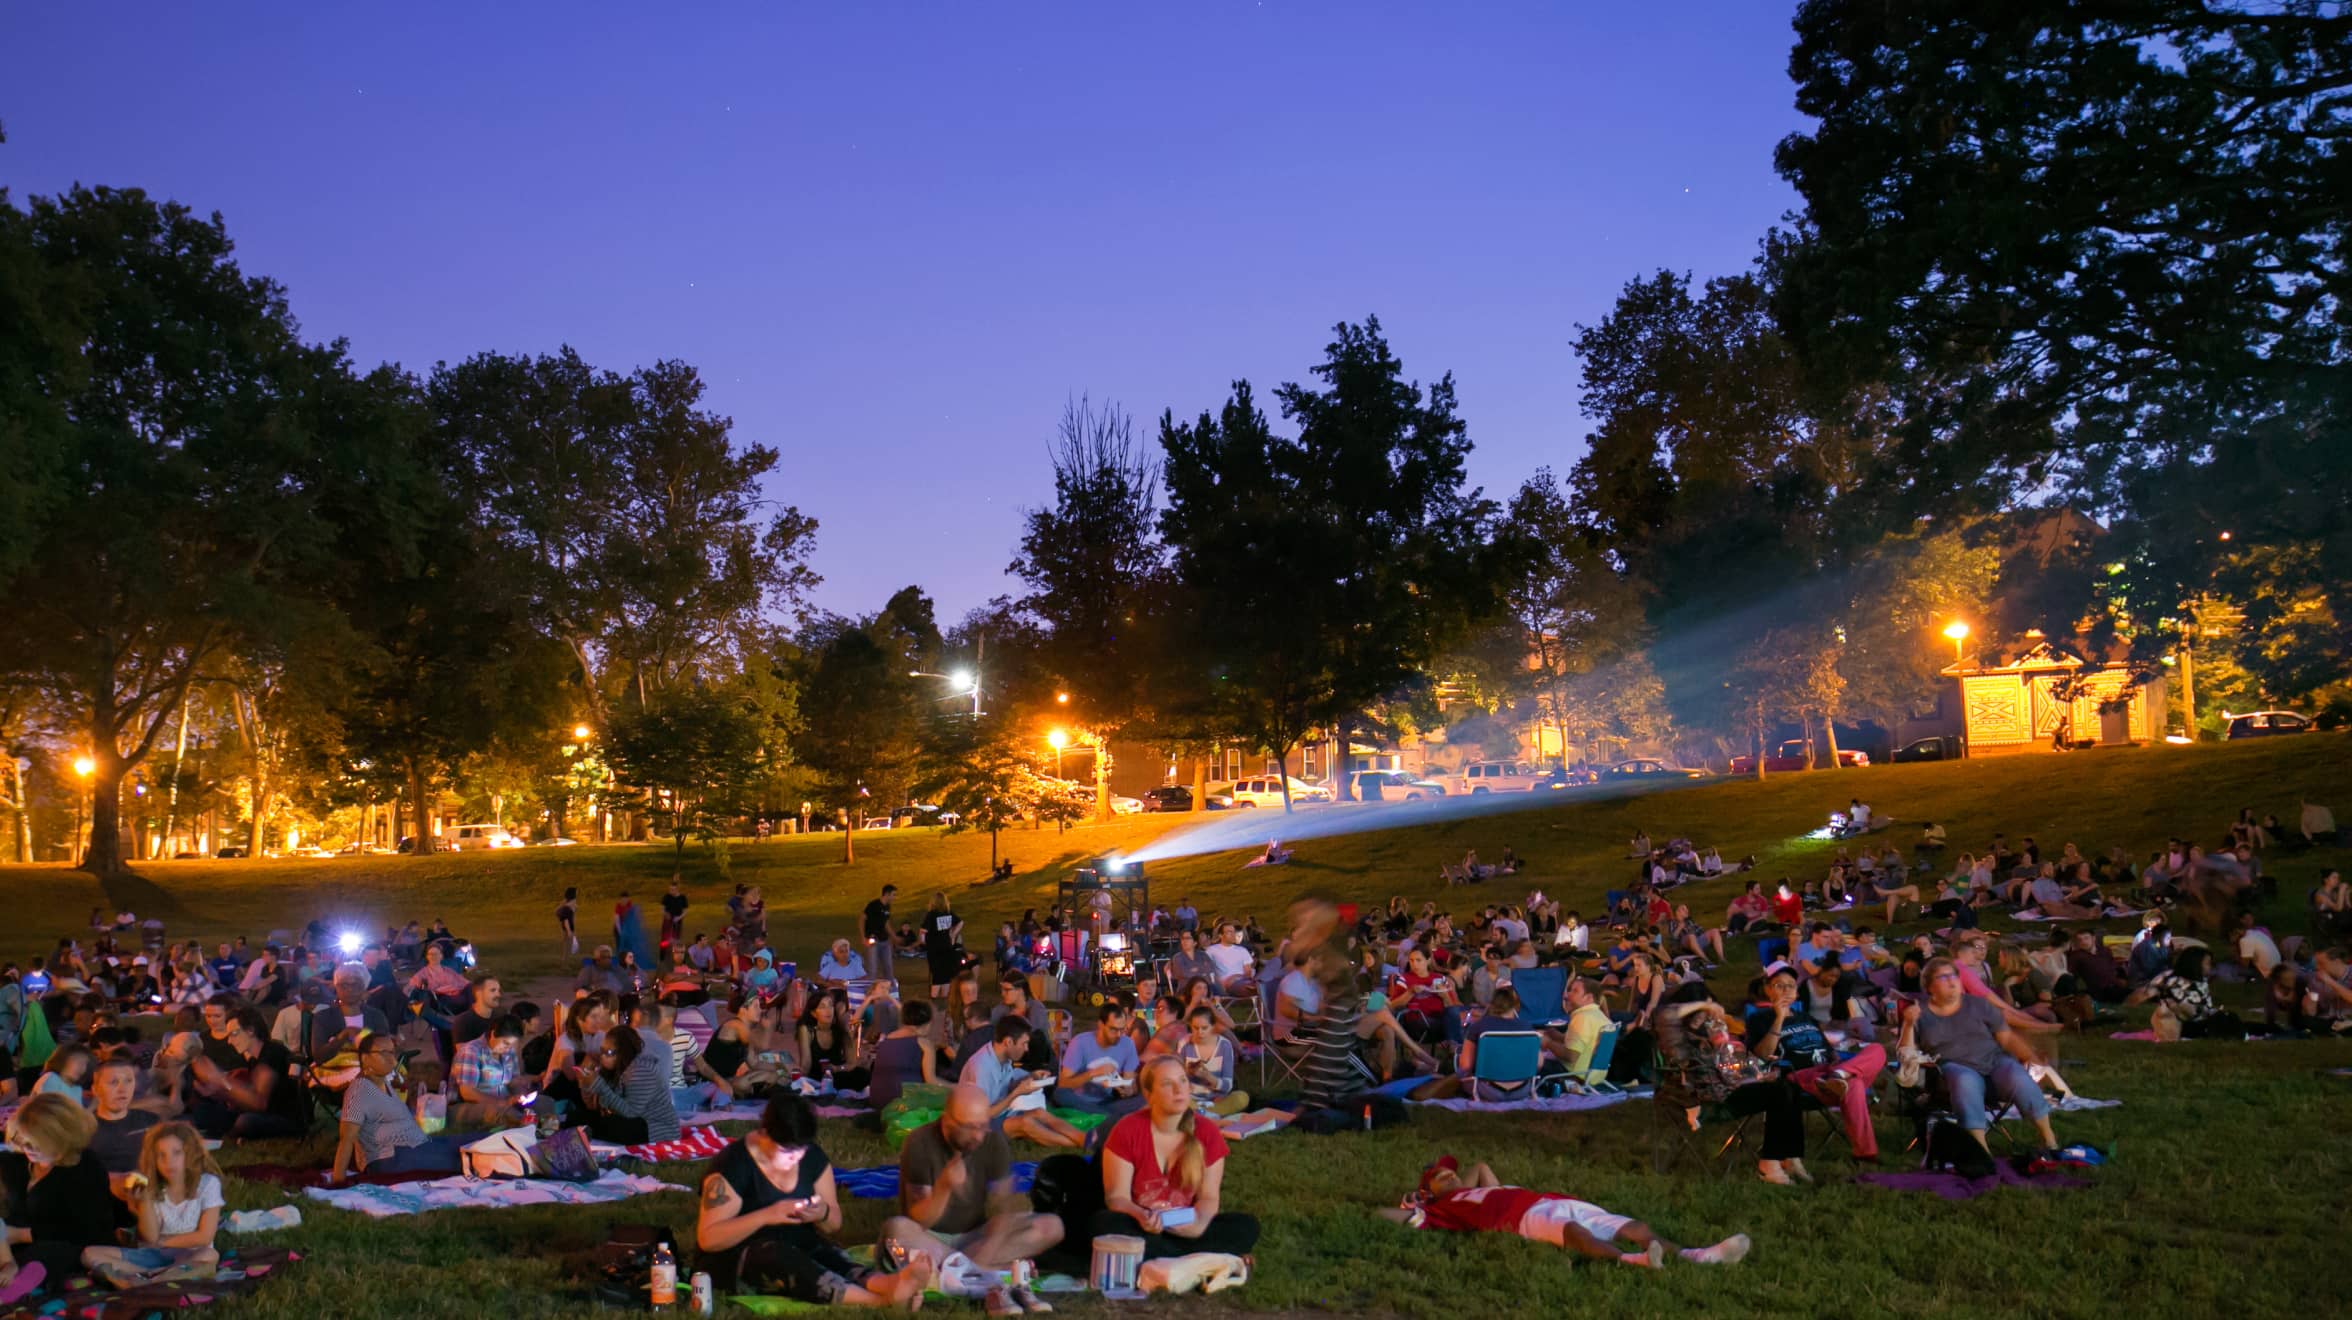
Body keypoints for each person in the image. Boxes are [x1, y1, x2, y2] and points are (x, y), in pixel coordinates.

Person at [695, 1094, 933, 1307]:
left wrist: (823, 1214)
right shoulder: (734, 1166)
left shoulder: (812, 1159)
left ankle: (889, 1285)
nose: (795, 1158)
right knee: (782, 1258)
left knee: (828, 1255)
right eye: (787, 1152)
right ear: (765, 1134)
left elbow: (834, 1223)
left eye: (801, 1151)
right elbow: (709, 1239)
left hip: (799, 1243)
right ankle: (878, 1302)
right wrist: (767, 1215)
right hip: (740, 1257)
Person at [879, 1085, 1063, 1310]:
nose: (978, 1135)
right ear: (948, 1121)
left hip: (974, 1239)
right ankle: (991, 1272)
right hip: (930, 1239)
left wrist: (989, 1248)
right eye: (969, 1127)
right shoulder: (920, 1142)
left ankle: (960, 1273)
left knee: (1052, 1226)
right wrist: (943, 1188)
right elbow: (918, 1219)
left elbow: (1002, 1210)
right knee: (896, 1230)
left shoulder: (993, 1142)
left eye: (982, 1126)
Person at [1380, 1155, 1749, 1267]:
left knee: (1631, 1224)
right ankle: (1634, 1261)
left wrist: (1454, 1181)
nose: (1450, 1175)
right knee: (1575, 1235)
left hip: (1551, 1200)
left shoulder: (1479, 1188)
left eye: (1450, 1171)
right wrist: (1416, 1200)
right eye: (1441, 1177)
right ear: (1432, 1190)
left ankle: (1697, 1254)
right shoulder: (1447, 1208)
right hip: (1522, 1219)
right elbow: (1402, 1218)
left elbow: (1479, 1166)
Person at [1091, 1057, 1260, 1260]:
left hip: (1186, 1225)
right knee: (1104, 1223)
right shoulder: (1127, 1130)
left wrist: (1198, 1225)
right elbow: (1117, 1198)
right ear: (1149, 1094)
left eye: (1182, 1081)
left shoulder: (1207, 1132)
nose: (1179, 1090)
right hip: (1142, 1225)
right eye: (1167, 1084)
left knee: (1246, 1226)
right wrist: (1141, 1216)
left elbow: (1209, 1197)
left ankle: (1162, 1255)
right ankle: (1198, 1257)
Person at [1654, 984, 1813, 1184]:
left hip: (1725, 1090)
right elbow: (1665, 1014)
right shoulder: (1675, 1034)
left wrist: (1754, 1074)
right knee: (1778, 1093)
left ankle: (1791, 1157)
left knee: (1789, 1085)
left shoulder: (1711, 1032)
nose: (1708, 1015)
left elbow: (1729, 1067)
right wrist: (1704, 1005)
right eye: (1703, 1010)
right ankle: (1769, 1165)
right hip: (1700, 1098)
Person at [1900, 958, 2059, 1151]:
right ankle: (1981, 1150)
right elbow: (1905, 1052)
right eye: (1943, 977)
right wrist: (1908, 1024)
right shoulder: (1920, 1013)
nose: (1952, 981)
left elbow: (2007, 1038)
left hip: (1992, 1063)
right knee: (1964, 1080)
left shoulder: (1978, 1005)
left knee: (2016, 1074)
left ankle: (2049, 1140)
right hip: (1951, 1070)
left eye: (1954, 975)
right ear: (1929, 986)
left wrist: (2032, 1058)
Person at [1745, 966, 1886, 1160]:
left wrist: (1838, 1064)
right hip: (1803, 1077)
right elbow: (1762, 1054)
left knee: (1877, 1050)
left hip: (1831, 1071)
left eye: (1791, 986)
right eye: (1779, 986)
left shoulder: (1805, 1017)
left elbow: (1828, 1050)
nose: (1786, 991)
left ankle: (1839, 1076)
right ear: (1768, 989)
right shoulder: (1759, 1019)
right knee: (1854, 1084)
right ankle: (1865, 1153)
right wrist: (1779, 1018)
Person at [80, 1122, 223, 1288]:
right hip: (152, 1256)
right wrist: (145, 1201)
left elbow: (204, 1237)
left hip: (189, 1254)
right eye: (161, 1155)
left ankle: (142, 1277)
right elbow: (149, 1238)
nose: (169, 1161)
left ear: (191, 1154)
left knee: (209, 1255)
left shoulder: (207, 1183)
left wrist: (161, 1242)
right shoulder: (151, 1187)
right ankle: (157, 1276)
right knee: (88, 1254)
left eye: (177, 1153)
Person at [0, 1095, 115, 1291]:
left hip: (66, 1248)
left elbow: (86, 1230)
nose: (27, 1149)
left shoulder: (86, 1167)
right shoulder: (13, 1163)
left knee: (40, 1256)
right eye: (22, 1141)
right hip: (9, 1248)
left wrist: (20, 1235)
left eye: (35, 1143)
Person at [328, 1031, 463, 1183]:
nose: (391, 1060)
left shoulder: (383, 1082)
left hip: (413, 1145)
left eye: (392, 1053)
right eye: (383, 1053)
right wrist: (338, 1180)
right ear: (365, 1058)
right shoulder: (359, 1090)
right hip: (389, 1158)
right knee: (460, 1157)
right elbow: (346, 1138)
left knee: (467, 1141)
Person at [186, 1008, 310, 1140]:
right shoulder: (254, 1060)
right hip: (266, 1113)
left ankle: (225, 1136)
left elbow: (259, 1103)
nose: (230, 1041)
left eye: (234, 1034)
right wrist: (217, 1090)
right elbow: (247, 1097)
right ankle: (214, 1132)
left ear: (250, 1030)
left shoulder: (272, 1053)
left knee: (246, 1121)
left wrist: (220, 1079)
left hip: (289, 1118)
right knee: (204, 1111)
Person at [961, 1017, 1084, 1148]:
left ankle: (1083, 1138)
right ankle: (1078, 1144)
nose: (1026, 1049)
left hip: (999, 1113)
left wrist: (1031, 1076)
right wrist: (1016, 1093)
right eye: (1023, 1043)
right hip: (977, 1125)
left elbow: (1006, 1082)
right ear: (1008, 1042)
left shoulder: (1002, 1056)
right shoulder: (982, 1067)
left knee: (1039, 1112)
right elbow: (984, 1114)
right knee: (1026, 1123)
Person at [577, 1023, 680, 1143]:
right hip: (634, 1120)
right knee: (583, 1117)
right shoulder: (613, 1070)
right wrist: (584, 1083)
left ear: (623, 1052)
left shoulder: (642, 1069)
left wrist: (599, 1086)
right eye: (602, 1051)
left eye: (609, 1052)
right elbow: (592, 1106)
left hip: (655, 1128)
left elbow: (630, 1112)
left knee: (606, 1124)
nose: (603, 1056)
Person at [2128, 946, 2244, 1040]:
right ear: (2195, 964)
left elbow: (2205, 1007)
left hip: (2200, 1021)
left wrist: (2214, 1013)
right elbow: (2143, 994)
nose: (2210, 967)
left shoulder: (2201, 982)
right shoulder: (2169, 978)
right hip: (2180, 1023)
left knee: (2231, 1018)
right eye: (2207, 963)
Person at [1055, 1003, 1141, 1116]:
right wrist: (1092, 1073)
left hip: (1108, 1101)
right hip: (1080, 1100)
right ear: (1101, 1025)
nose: (1119, 1035)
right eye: (1113, 1030)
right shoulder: (1080, 1042)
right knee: (1060, 1094)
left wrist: (1129, 1090)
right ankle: (1108, 1117)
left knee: (1143, 1100)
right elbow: (1063, 1083)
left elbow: (1130, 1082)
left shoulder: (1127, 1044)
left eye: (1122, 1030)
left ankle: (1104, 1116)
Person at [85, 1056, 160, 1180]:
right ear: (96, 1090)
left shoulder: (151, 1122)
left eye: (129, 1081)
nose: (122, 1089)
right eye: (114, 1082)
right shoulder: (83, 1129)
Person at [450, 1016, 531, 1129]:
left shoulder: (509, 1052)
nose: (508, 1049)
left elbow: (514, 1080)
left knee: (543, 1104)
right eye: (505, 1043)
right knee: (508, 1115)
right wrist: (503, 1102)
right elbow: (467, 1093)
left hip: (504, 1102)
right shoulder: (471, 1051)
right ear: (493, 1034)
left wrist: (520, 1095)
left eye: (512, 1045)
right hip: (470, 1105)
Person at [867, 1000, 939, 1109]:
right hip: (904, 1104)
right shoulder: (924, 1043)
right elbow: (932, 1082)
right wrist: (957, 1088)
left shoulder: (886, 1040)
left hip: (877, 1100)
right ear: (928, 1023)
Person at [923, 893, 964, 1000]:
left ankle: (934, 998)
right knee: (946, 975)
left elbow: (923, 931)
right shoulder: (948, 913)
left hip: (934, 949)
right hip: (947, 947)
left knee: (937, 975)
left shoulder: (931, 915)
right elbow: (960, 922)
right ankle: (944, 998)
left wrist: (923, 942)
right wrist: (953, 934)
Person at [862, 885, 898, 986]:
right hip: (873, 940)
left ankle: (890, 991)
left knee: (888, 967)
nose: (895, 898)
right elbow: (862, 919)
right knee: (872, 969)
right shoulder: (873, 905)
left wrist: (893, 936)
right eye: (893, 895)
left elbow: (886, 923)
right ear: (886, 894)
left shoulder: (887, 907)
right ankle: (869, 993)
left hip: (885, 941)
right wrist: (863, 937)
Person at [659, 876, 690, 954]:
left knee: (676, 938)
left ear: (677, 889)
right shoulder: (667, 897)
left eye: (673, 890)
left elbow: (686, 910)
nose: (671, 891)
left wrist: (679, 917)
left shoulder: (682, 898)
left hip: (677, 920)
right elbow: (662, 908)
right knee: (665, 938)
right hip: (667, 920)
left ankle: (676, 954)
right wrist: (665, 914)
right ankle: (662, 954)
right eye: (670, 889)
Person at [557, 888, 579, 956]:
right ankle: (564, 963)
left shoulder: (570, 905)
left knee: (567, 946)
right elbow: (565, 920)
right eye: (576, 893)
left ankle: (565, 963)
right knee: (567, 946)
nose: (577, 894)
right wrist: (569, 931)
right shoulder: (566, 907)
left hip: (569, 926)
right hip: (568, 927)